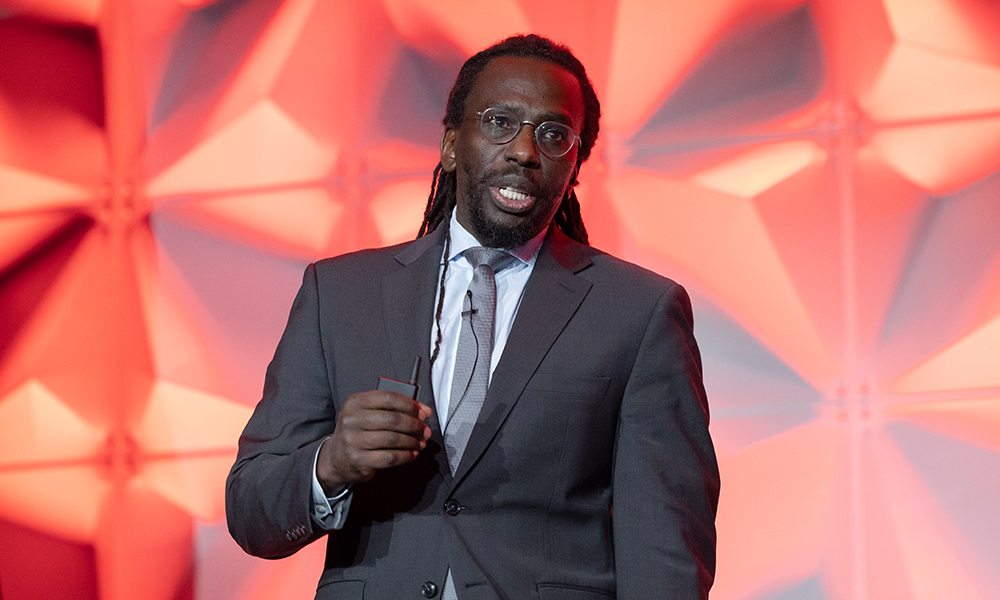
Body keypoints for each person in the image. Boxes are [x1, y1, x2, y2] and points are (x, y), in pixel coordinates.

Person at [226, 34, 719, 600]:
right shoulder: (339, 294)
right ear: (451, 144)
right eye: (500, 122)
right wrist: (330, 463)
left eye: (553, 134)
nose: (524, 151)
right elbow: (250, 512)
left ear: (575, 166)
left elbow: (665, 548)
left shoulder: (639, 311)